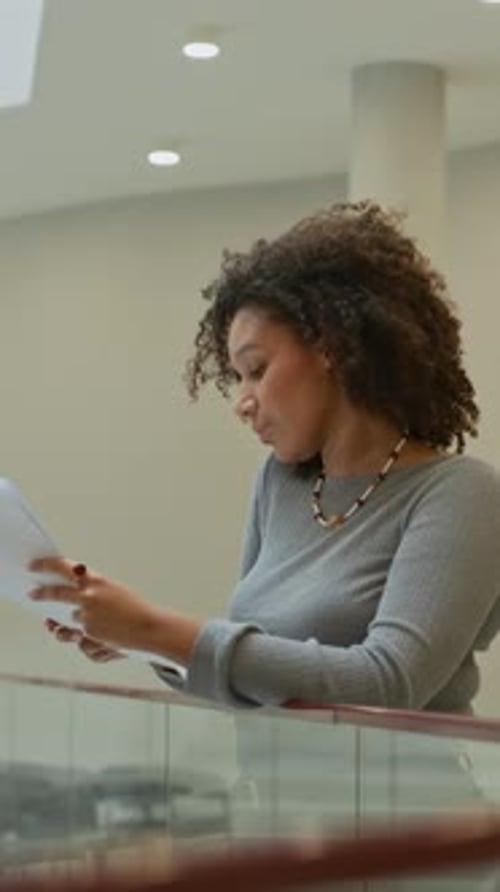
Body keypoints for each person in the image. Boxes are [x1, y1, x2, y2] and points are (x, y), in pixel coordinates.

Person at [29, 200, 500, 714]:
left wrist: (154, 627)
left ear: (332, 348)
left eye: (256, 369)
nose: (242, 402)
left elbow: (388, 682)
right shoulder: (281, 485)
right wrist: (141, 641)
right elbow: (260, 671)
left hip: (413, 796)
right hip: (278, 792)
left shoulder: (462, 494)